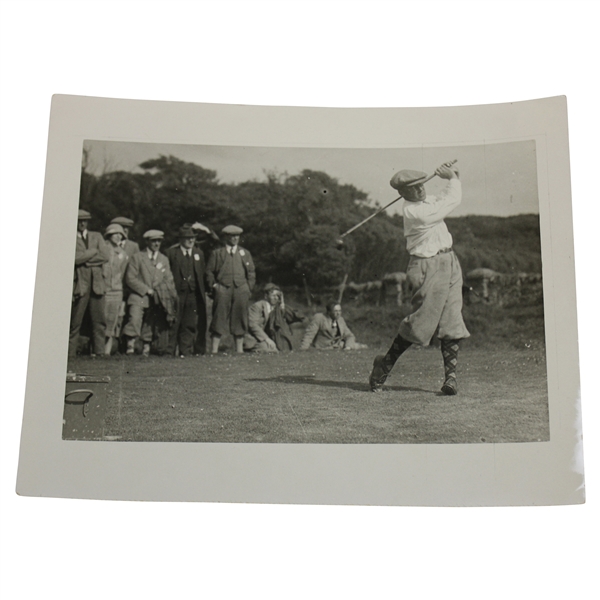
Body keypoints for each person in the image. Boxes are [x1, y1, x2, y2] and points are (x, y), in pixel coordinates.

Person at [369, 163, 470, 395]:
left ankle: (451, 378)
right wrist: (453, 180)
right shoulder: (414, 212)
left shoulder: (427, 202)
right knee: (420, 324)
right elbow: (451, 201)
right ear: (403, 194)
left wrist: (454, 177)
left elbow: (445, 196)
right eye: (413, 189)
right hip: (427, 265)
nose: (420, 190)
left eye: (421, 185)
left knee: (452, 319)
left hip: (450, 261)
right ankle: (383, 365)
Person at [122, 230, 178, 357]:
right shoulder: (137, 257)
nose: (156, 243)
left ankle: (145, 349)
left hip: (157, 298)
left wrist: (160, 291)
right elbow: (130, 278)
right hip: (139, 296)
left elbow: (168, 278)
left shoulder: (163, 259)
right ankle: (130, 347)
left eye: (159, 241)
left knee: (151, 322)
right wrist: (146, 290)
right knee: (135, 319)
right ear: (147, 241)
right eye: (153, 241)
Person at [206, 225, 256, 354]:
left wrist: (248, 288)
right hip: (223, 289)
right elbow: (209, 272)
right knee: (219, 318)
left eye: (237, 236)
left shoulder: (245, 253)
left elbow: (251, 272)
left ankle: (239, 350)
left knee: (240, 319)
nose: (235, 238)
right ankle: (214, 350)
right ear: (226, 237)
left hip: (241, 289)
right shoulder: (218, 253)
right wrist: (215, 286)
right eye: (232, 236)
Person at [69, 209, 109, 358]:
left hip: (97, 286)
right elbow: (74, 259)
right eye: (79, 220)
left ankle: (99, 352)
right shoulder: (70, 237)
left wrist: (84, 259)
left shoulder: (96, 236)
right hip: (80, 286)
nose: (82, 223)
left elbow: (105, 256)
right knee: (75, 322)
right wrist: (93, 252)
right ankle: (70, 355)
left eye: (85, 220)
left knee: (99, 321)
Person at [166, 225, 207, 357]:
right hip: (176, 294)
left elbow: (202, 274)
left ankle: (185, 350)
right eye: (188, 238)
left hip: (193, 294)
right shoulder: (171, 253)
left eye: (193, 238)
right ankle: (169, 350)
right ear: (181, 239)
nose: (191, 241)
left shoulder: (198, 253)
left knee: (189, 323)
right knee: (174, 323)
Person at [244, 283, 304, 352]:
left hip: (269, 338)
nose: (276, 298)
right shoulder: (257, 306)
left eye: (278, 296)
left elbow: (290, 317)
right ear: (266, 296)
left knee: (284, 348)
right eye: (273, 295)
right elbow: (253, 325)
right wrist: (267, 339)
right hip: (255, 339)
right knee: (272, 350)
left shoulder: (277, 308)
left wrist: (282, 303)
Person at [102, 223, 129, 356]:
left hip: (117, 291)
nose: (118, 236)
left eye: (121, 235)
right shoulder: (102, 249)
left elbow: (123, 274)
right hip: (103, 290)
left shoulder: (122, 254)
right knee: (101, 321)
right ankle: (97, 350)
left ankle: (107, 352)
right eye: (115, 233)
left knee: (112, 322)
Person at [300, 301, 364, 350]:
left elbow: (349, 335)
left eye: (339, 311)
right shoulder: (319, 318)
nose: (338, 313)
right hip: (322, 348)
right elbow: (309, 335)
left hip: (338, 346)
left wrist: (348, 347)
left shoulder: (340, 320)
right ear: (329, 312)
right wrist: (303, 349)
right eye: (335, 311)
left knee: (363, 346)